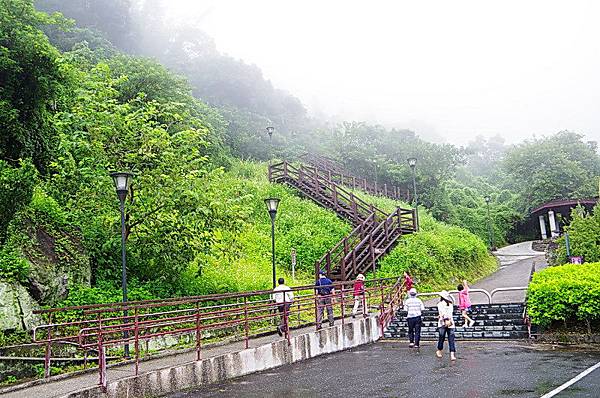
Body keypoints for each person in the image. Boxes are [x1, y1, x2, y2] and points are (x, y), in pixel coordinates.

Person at [436, 290, 456, 361]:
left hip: (442, 323)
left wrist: (444, 318)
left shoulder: (440, 304)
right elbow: (449, 313)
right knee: (451, 339)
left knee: (441, 338)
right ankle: (452, 354)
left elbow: (443, 313)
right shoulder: (450, 304)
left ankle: (439, 350)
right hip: (450, 323)